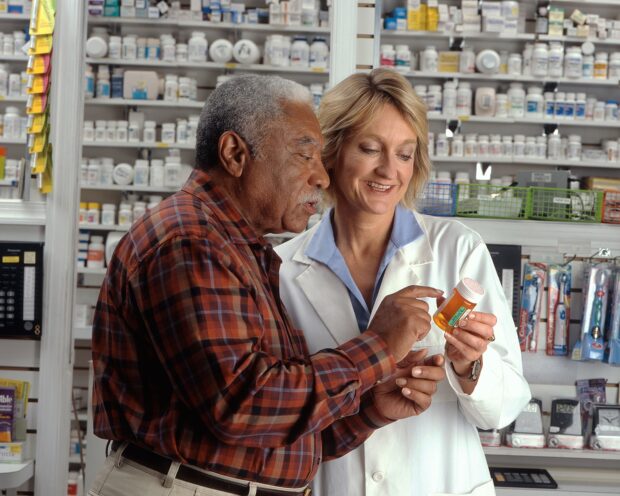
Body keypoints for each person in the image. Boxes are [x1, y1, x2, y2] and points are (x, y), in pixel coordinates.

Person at [89, 74, 446, 496]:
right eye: (304, 155)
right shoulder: (191, 241)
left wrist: (371, 410)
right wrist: (380, 346)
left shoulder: (240, 248)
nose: (322, 177)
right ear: (235, 154)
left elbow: (271, 435)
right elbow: (242, 405)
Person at [275, 68, 532, 496]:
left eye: (405, 154)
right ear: (331, 152)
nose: (388, 170)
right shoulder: (282, 268)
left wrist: (470, 368)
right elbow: (284, 411)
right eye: (370, 148)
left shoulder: (458, 249)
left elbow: (504, 408)